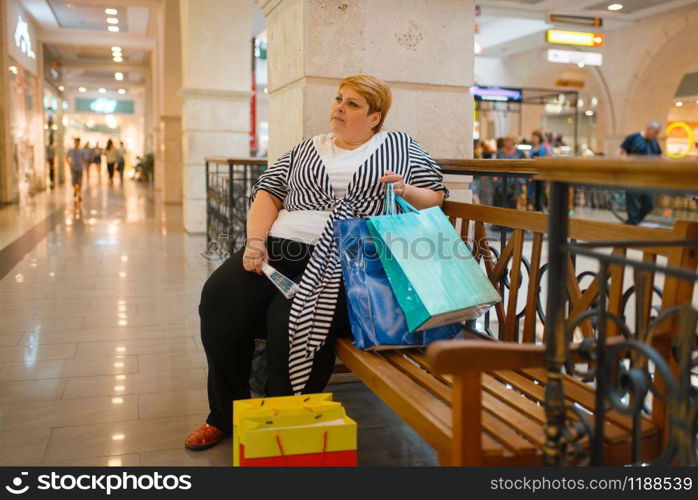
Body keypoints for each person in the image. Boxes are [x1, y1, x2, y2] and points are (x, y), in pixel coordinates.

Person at [184, 74, 448, 450]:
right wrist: (256, 243)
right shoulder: (307, 147)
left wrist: (405, 189)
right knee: (219, 298)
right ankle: (223, 415)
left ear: (375, 117)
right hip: (279, 250)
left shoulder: (400, 146)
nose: (339, 107)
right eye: (339, 99)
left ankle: (281, 425)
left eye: (353, 104)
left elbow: (435, 196)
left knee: (292, 321)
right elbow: (267, 195)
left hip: (343, 260)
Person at [618, 120, 663, 225]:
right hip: (632, 177)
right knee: (633, 205)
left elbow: (660, 156)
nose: (657, 135)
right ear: (649, 129)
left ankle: (630, 224)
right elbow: (619, 152)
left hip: (647, 179)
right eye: (656, 132)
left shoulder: (654, 142)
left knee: (649, 205)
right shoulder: (633, 138)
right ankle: (632, 227)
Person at [528, 130, 552, 211]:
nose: (533, 139)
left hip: (542, 173)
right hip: (534, 173)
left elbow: (549, 158)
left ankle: (542, 209)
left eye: (534, 137)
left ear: (538, 138)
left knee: (542, 192)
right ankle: (537, 209)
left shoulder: (545, 146)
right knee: (535, 193)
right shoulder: (533, 147)